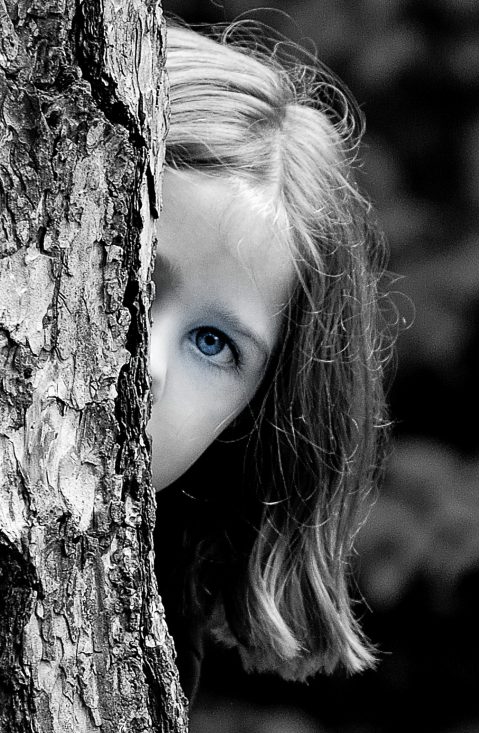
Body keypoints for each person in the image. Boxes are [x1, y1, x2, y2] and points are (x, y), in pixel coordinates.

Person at [150, 21, 391, 696]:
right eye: (132, 281)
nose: (149, 366)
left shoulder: (145, 657)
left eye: (212, 343)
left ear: (248, 415)